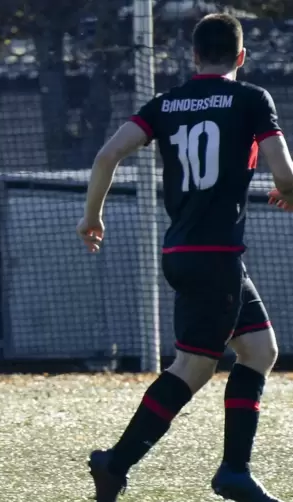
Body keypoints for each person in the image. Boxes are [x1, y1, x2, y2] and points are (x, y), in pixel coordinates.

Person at [77, 14, 292, 502]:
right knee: (193, 368)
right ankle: (116, 462)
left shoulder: (165, 104)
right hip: (216, 257)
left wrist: (92, 217)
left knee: (260, 351)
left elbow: (107, 155)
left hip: (187, 252)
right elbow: (284, 172)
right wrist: (290, 192)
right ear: (241, 57)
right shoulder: (252, 99)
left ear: (193, 57)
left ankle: (234, 469)